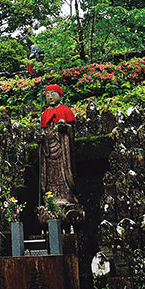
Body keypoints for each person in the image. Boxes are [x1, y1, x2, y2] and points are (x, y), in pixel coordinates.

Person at [38, 84, 80, 219]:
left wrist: (65, 129)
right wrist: (40, 138)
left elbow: (72, 132)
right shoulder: (44, 113)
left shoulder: (65, 110)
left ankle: (67, 197)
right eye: (47, 94)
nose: (49, 96)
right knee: (50, 176)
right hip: (48, 152)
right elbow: (44, 130)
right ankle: (51, 199)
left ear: (60, 96)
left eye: (52, 93)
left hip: (62, 150)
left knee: (63, 173)